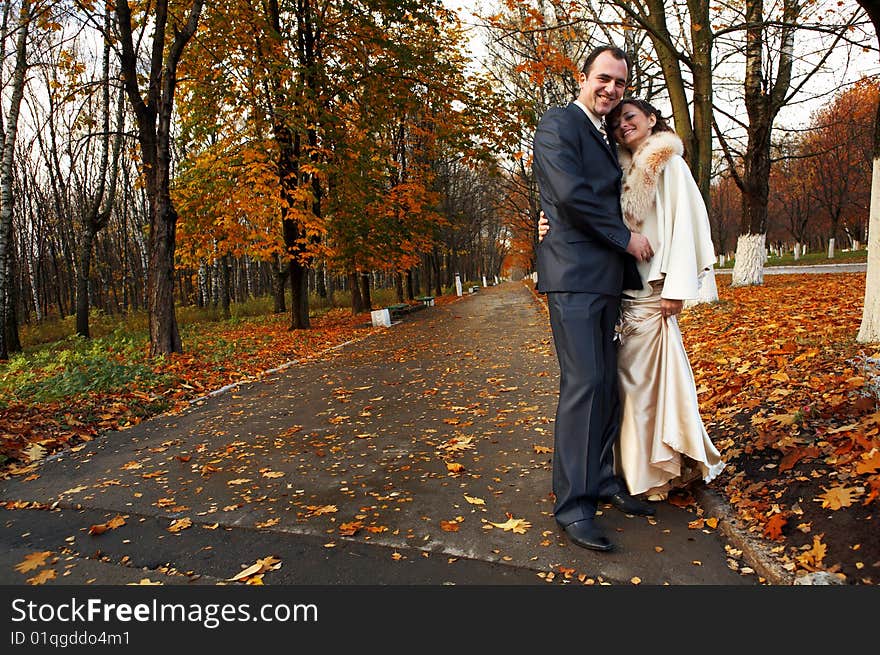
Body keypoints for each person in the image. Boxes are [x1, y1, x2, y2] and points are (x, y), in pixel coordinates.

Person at [538, 97, 725, 507]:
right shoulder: (620, 167)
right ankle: (623, 472)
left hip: (653, 294)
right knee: (618, 389)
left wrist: (675, 288)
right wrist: (550, 218)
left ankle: (653, 473)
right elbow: (586, 205)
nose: (623, 125)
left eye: (631, 117)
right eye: (618, 121)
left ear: (652, 119)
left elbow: (685, 223)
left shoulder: (668, 164)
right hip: (621, 291)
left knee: (647, 389)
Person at [532, 45, 657, 553]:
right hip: (576, 278)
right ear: (582, 78)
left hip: (604, 279)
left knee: (606, 385)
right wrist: (626, 238)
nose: (611, 89)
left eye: (620, 84)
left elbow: (572, 200)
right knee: (584, 384)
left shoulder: (605, 135)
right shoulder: (560, 123)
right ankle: (573, 505)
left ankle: (602, 480)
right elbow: (568, 194)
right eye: (603, 79)